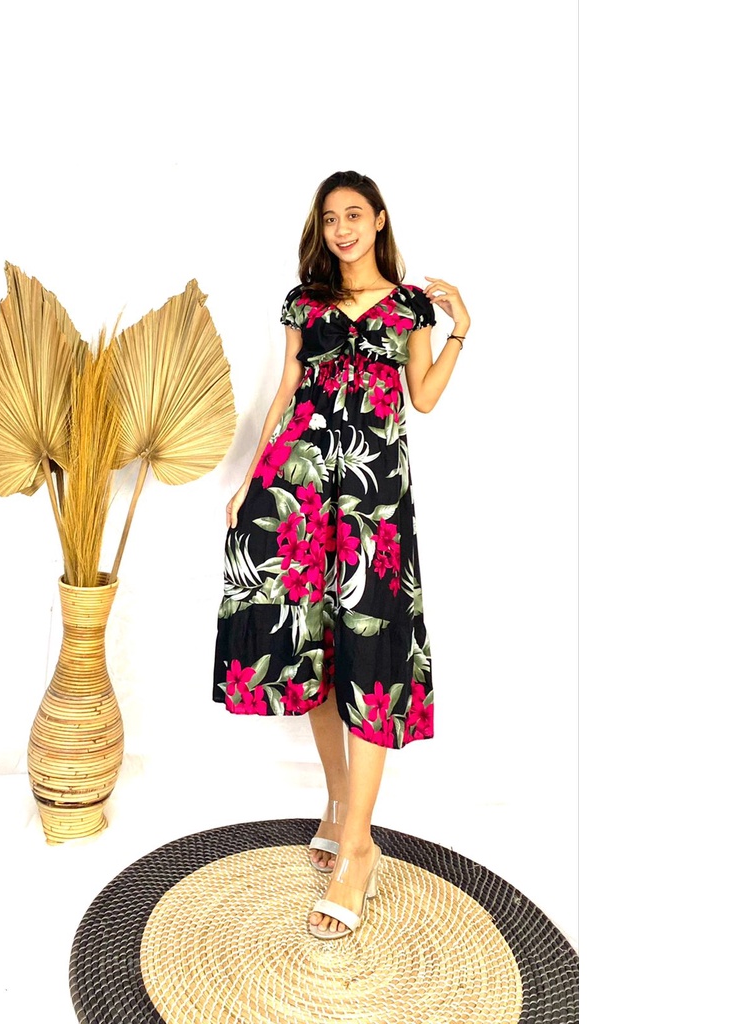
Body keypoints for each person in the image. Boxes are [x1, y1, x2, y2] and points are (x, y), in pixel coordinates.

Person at [212, 169, 470, 939]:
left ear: (379, 220)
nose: (341, 230)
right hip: (296, 492)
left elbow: (423, 397)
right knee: (316, 651)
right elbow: (287, 393)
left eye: (354, 215)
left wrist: (461, 331)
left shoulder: (410, 306)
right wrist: (251, 479)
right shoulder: (305, 302)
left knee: (374, 660)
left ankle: (359, 847)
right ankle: (337, 803)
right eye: (330, 219)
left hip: (373, 503)